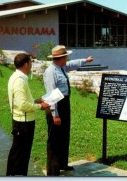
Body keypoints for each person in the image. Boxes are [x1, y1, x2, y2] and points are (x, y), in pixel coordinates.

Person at [43, 45, 93, 176]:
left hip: (64, 103)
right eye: (65, 56)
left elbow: (72, 64)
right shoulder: (51, 72)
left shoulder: (61, 67)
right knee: (54, 139)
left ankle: (62, 163)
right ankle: (53, 171)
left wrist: (85, 61)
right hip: (56, 105)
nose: (67, 59)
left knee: (64, 135)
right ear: (60, 58)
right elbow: (51, 94)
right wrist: (55, 115)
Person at [7, 53, 50, 176]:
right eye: (30, 63)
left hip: (21, 121)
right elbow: (23, 105)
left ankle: (13, 175)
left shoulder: (16, 77)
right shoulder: (19, 81)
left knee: (17, 153)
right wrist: (40, 106)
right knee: (21, 154)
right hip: (23, 123)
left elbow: (22, 101)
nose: (31, 65)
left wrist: (36, 100)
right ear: (26, 64)